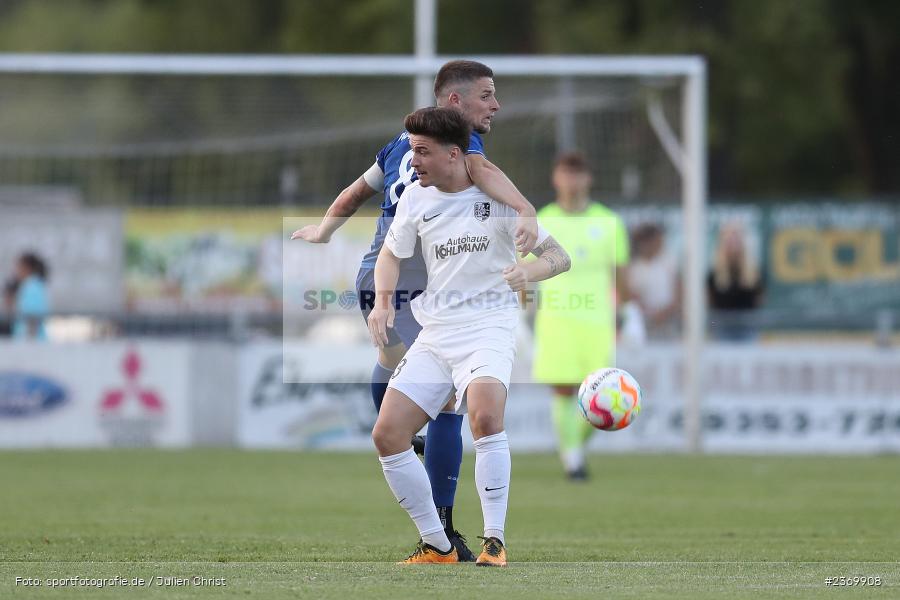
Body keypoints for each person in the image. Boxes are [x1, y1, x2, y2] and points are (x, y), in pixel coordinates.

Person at [291, 60, 538, 560]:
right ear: (454, 103)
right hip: (412, 266)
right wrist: (527, 211)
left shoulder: (399, 143)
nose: (495, 105)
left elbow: (359, 191)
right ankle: (445, 530)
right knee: (444, 399)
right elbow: (483, 173)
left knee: (397, 365)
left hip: (387, 267)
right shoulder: (458, 146)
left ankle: (403, 430)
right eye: (486, 95)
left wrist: (324, 230)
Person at [368, 107, 569, 565]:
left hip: (489, 328)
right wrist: (383, 301)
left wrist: (528, 271)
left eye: (421, 151)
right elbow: (389, 255)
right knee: (387, 433)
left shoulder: (498, 200)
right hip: (437, 333)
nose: (412, 161)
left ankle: (493, 542)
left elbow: (560, 257)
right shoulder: (416, 199)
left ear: (454, 154)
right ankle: (437, 545)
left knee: (483, 417)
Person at [531, 153, 629, 481]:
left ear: (588, 178)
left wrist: (629, 312)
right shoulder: (542, 220)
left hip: (598, 323)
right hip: (556, 320)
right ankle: (572, 459)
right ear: (555, 178)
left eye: (578, 174)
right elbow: (523, 271)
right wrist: (519, 314)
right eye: (565, 174)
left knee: (602, 393)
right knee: (562, 390)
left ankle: (577, 445)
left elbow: (621, 274)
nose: (572, 182)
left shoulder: (609, 222)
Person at [707, 222, 765, 340]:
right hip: (722, 330)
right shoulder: (714, 274)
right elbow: (710, 303)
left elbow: (760, 300)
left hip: (748, 329)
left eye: (736, 239)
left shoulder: (754, 272)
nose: (733, 244)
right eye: (729, 240)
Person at [628, 223, 680, 337]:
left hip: (669, 323)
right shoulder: (634, 268)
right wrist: (649, 314)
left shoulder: (669, 262)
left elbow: (678, 292)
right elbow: (632, 296)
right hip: (644, 324)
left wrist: (664, 313)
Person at [12, 252, 50, 340]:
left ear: (27, 267)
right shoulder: (32, 285)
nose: (16, 271)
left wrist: (29, 346)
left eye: (18, 266)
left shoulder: (32, 287)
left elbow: (32, 318)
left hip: (31, 344)